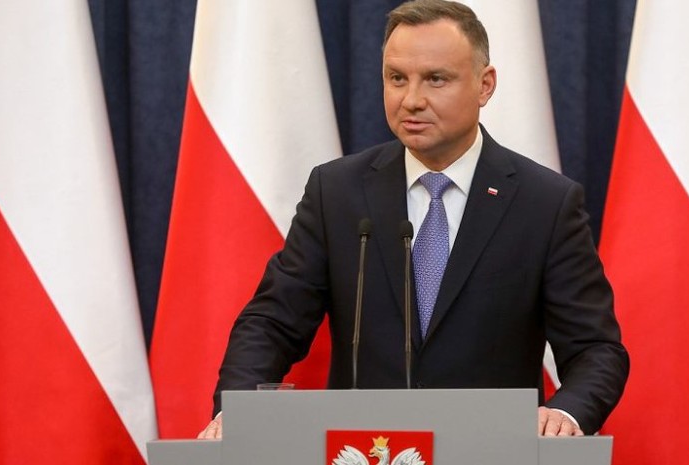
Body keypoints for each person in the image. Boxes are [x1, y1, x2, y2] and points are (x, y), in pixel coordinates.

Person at [199, 0, 628, 439]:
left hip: (491, 446)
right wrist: (240, 409)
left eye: (436, 79)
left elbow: (595, 349)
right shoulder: (338, 192)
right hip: (365, 448)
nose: (412, 100)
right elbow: (273, 322)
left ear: (485, 85)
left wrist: (566, 414)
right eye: (397, 78)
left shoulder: (545, 204)